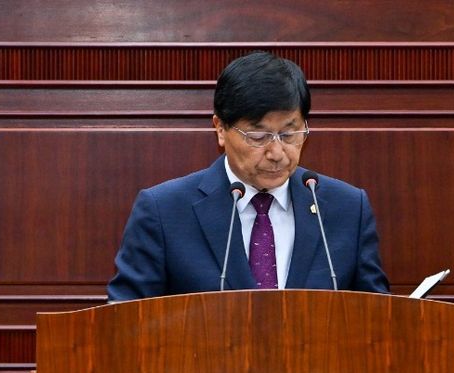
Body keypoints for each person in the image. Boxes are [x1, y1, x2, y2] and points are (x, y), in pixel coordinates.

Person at [107, 51, 389, 300]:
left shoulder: (348, 208)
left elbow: (378, 319)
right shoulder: (164, 211)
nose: (277, 152)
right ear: (220, 128)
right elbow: (126, 320)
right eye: (258, 136)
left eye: (289, 134)